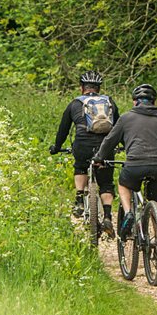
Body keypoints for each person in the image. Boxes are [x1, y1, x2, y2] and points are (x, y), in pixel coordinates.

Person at [92, 84, 157, 238]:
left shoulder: (126, 118)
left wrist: (100, 157)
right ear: (154, 101)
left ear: (134, 101)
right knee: (155, 199)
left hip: (135, 164)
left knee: (124, 184)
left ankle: (128, 213)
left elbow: (110, 141)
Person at [49, 71, 118, 226]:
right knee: (106, 182)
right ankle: (107, 216)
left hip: (83, 144)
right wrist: (123, 145)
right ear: (99, 88)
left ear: (82, 87)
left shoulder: (75, 104)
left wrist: (57, 147)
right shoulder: (110, 103)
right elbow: (119, 127)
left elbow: (63, 130)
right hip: (105, 145)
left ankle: (79, 198)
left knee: (80, 166)